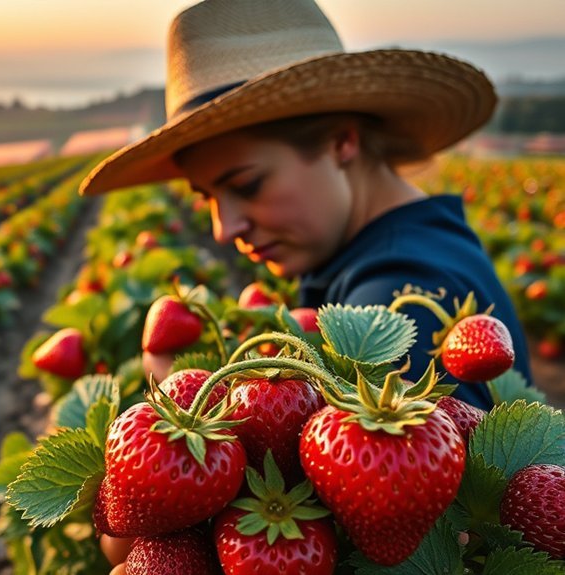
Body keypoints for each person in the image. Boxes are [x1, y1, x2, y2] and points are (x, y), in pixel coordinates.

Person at [79, 0, 533, 568]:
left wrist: (166, 394)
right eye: (209, 199)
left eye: (245, 184)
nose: (225, 228)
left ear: (342, 142)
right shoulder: (382, 251)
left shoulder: (400, 307)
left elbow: (125, 546)